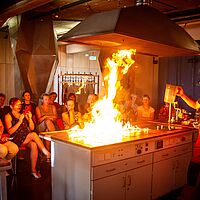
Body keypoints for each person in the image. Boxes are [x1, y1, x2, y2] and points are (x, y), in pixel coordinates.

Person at [5, 97, 51, 179]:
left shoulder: (22, 114)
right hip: (15, 139)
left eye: (20, 105)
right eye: (17, 105)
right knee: (33, 134)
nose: (19, 106)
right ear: (11, 106)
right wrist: (19, 121)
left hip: (26, 137)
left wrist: (29, 119)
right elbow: (10, 132)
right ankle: (46, 153)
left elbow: (32, 128)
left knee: (34, 144)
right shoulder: (8, 116)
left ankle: (33, 171)